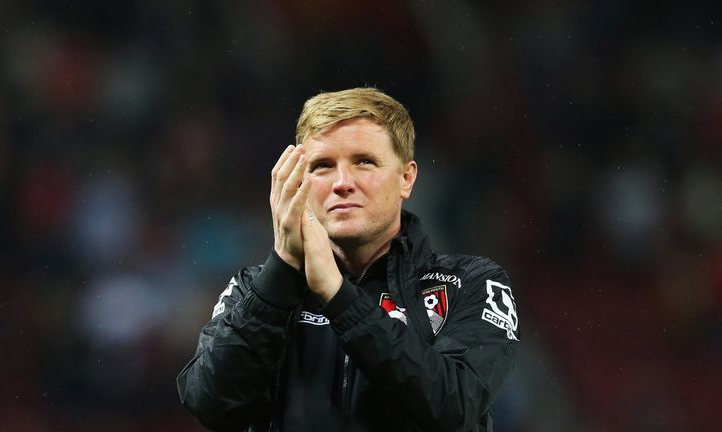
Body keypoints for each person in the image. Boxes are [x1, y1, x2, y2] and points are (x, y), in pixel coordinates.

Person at [176, 88, 520, 432]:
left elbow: (454, 407)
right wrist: (280, 271)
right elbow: (211, 404)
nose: (342, 183)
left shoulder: (471, 283)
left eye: (364, 162)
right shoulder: (256, 291)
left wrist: (339, 298)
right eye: (322, 166)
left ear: (406, 178)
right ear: (299, 181)